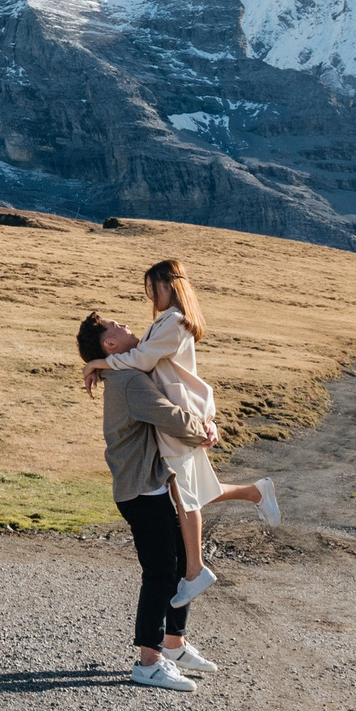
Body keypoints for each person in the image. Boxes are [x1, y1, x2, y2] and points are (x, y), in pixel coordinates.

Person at [79, 260, 280, 608]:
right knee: (185, 489)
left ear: (169, 285)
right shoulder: (164, 322)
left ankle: (195, 570)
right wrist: (103, 365)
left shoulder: (174, 322)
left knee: (185, 492)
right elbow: (139, 356)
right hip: (177, 414)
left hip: (180, 414)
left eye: (152, 287)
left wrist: (99, 363)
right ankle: (253, 494)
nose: (149, 295)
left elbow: (142, 360)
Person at [77, 310, 223, 691]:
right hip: (141, 490)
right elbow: (168, 416)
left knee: (178, 561)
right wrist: (205, 430)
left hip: (147, 486)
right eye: (116, 326)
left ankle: (173, 644)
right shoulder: (128, 381)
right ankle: (148, 662)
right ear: (110, 344)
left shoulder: (124, 372)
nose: (125, 325)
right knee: (159, 572)